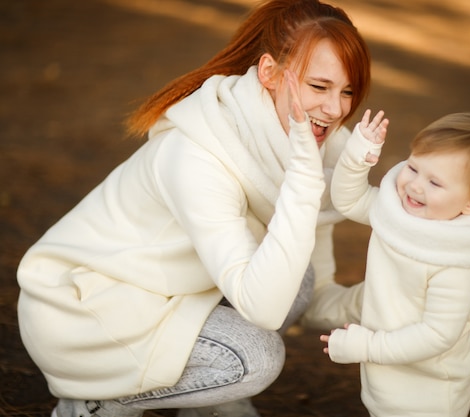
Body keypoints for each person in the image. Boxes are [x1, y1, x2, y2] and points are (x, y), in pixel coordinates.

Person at [16, 1, 372, 417]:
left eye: (347, 91)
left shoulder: (319, 152)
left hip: (170, 294)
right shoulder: (199, 153)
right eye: (319, 86)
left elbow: (315, 294)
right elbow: (265, 308)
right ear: (270, 73)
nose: (335, 110)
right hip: (86, 309)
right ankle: (93, 402)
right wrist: (304, 181)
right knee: (254, 356)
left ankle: (208, 404)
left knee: (298, 277)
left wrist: (395, 294)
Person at [320, 111, 470, 417]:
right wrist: (358, 154)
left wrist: (368, 347)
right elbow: (349, 200)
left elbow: (438, 335)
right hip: (387, 375)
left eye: (435, 183)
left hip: (431, 390)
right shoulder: (398, 214)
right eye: (413, 168)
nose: (415, 186)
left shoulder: (454, 263)